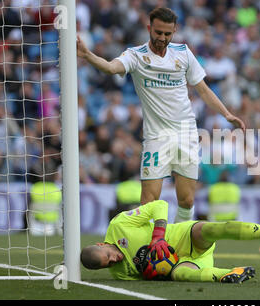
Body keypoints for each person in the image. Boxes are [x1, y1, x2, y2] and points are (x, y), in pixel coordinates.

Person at [76, 7, 245, 223]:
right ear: (149, 29)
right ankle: (148, 251)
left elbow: (202, 89)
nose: (162, 38)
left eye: (167, 34)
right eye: (158, 33)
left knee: (186, 200)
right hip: (156, 137)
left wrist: (227, 114)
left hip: (186, 134)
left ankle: (179, 246)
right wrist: (88, 55)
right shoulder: (136, 56)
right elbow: (111, 68)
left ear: (174, 32)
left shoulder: (183, 53)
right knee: (148, 201)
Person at [80, 199, 260, 283]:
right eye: (108, 264)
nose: (114, 260)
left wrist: (158, 236)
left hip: (186, 236)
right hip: (183, 264)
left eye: (108, 256)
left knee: (216, 228)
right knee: (181, 276)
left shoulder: (119, 225)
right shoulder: (119, 273)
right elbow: (149, 279)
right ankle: (229, 273)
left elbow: (161, 205)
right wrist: (156, 273)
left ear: (101, 244)